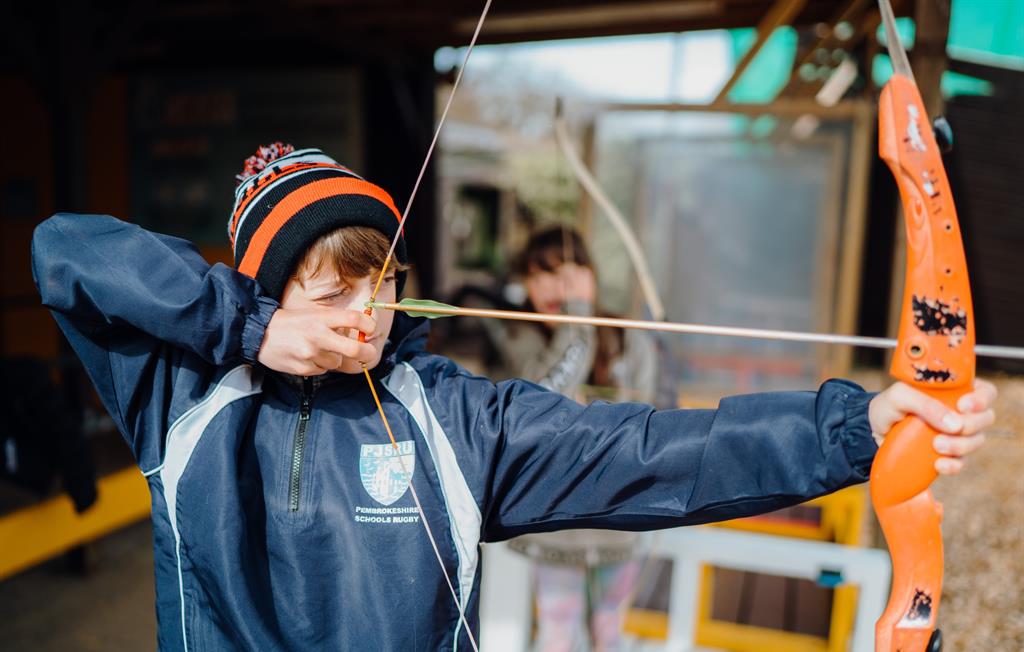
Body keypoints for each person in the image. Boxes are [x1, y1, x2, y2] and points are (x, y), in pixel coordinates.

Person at [31, 144, 994, 651]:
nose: (365, 315)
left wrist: (858, 428)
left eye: (382, 281)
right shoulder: (183, 391)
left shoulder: (447, 415)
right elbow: (64, 249)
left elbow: (651, 450)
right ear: (268, 293)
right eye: (329, 293)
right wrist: (247, 334)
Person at [486, 226, 672, 651]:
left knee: (611, 632)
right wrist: (578, 318)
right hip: (555, 526)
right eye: (543, 273)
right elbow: (539, 404)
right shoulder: (516, 340)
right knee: (557, 637)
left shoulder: (627, 337)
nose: (558, 285)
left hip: (618, 523)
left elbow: (651, 423)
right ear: (525, 284)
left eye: (571, 272)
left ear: (591, 275)